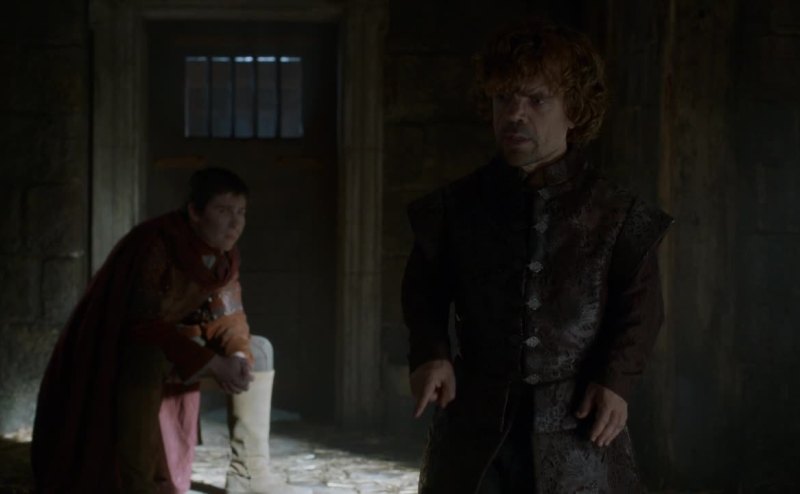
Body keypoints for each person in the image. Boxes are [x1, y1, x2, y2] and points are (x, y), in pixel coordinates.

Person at [402, 18, 673, 493]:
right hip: (475, 424)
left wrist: (617, 381)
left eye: (536, 100)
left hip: (579, 427)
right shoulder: (455, 208)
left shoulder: (616, 213)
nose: (515, 114)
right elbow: (423, 290)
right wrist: (431, 354)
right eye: (503, 98)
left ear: (574, 110)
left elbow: (641, 306)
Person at [32, 168, 281, 493]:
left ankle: (247, 473)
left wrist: (237, 355)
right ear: (195, 212)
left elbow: (228, 314)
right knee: (147, 357)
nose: (235, 223)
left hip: (177, 343)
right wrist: (212, 363)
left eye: (241, 212)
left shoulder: (223, 254)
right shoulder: (156, 243)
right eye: (223, 211)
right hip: (123, 348)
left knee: (259, 351)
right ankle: (140, 484)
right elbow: (142, 326)